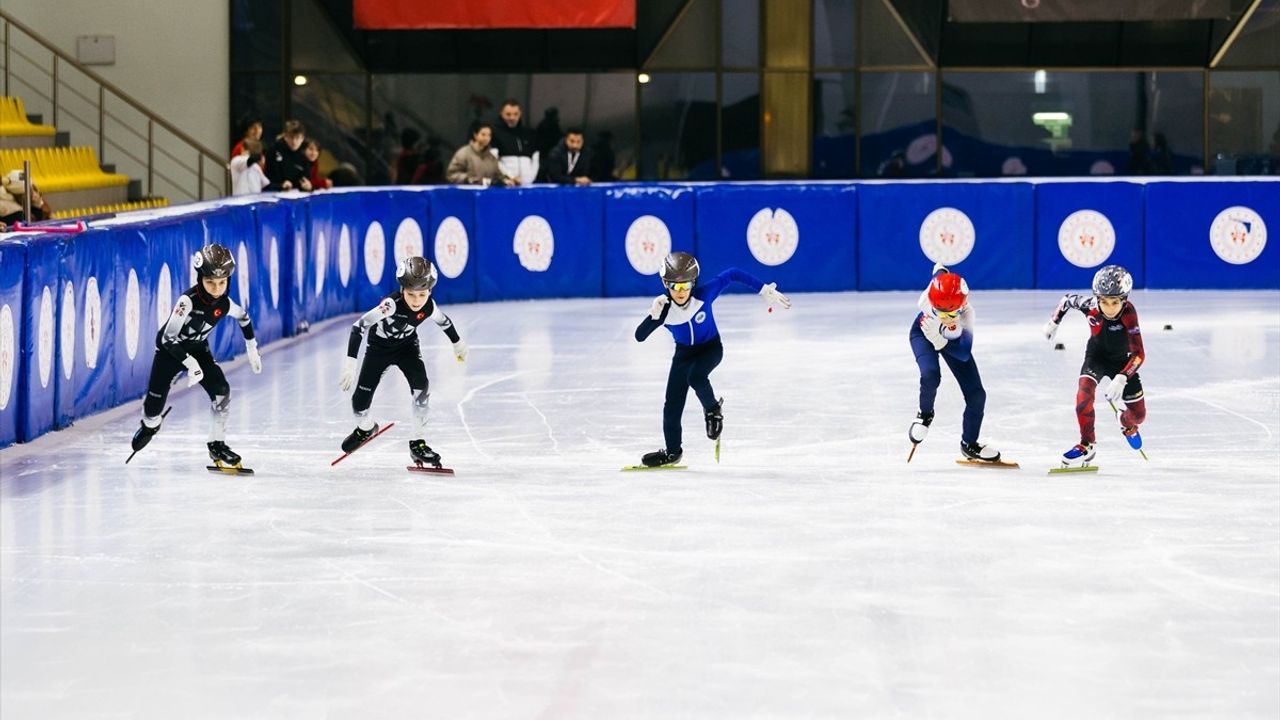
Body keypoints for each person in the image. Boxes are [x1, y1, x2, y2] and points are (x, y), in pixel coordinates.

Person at [633, 252, 791, 468]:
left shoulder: (704, 294)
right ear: (664, 283)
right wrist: (652, 317)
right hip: (683, 355)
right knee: (671, 407)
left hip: (710, 349)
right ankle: (672, 452)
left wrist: (763, 289)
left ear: (694, 282)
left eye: (686, 285)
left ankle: (713, 411)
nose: (681, 291)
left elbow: (733, 273)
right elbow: (639, 336)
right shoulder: (663, 310)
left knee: (696, 377)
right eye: (674, 286)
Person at [130, 244, 262, 469]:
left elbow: (244, 318)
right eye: (210, 282)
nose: (216, 289)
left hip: (198, 349)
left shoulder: (225, 303)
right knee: (152, 411)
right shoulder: (186, 301)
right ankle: (151, 424)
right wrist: (190, 364)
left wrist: (252, 347)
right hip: (169, 353)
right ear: (200, 277)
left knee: (221, 391)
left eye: (222, 283)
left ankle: (217, 444)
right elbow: (168, 339)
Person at [339, 257, 469, 469]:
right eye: (410, 294)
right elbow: (358, 327)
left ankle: (417, 442)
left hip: (407, 348)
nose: (417, 300)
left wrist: (458, 343)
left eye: (422, 294)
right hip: (378, 351)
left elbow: (444, 322)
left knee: (422, 388)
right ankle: (366, 428)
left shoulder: (428, 306)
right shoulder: (390, 306)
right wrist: (350, 364)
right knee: (358, 404)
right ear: (401, 290)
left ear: (430, 292)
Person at [1043, 265, 1146, 468]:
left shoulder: (1128, 313)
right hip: (1096, 357)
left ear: (1124, 300)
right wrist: (1053, 323)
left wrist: (1123, 376)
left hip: (1123, 362)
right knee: (1083, 396)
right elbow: (1065, 301)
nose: (1109, 308)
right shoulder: (1089, 304)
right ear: (1097, 298)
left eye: (1115, 302)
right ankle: (1087, 444)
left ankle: (1125, 422)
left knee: (1139, 416)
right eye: (1104, 302)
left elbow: (1139, 354)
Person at [907, 264, 1001, 463]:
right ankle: (924, 415)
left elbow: (964, 353)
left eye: (950, 315)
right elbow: (939, 271)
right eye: (938, 311)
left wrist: (940, 339)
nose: (944, 317)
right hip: (923, 333)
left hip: (952, 343)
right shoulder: (925, 299)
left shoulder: (967, 315)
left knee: (977, 395)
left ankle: (969, 444)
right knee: (930, 374)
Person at [446, 121, 515, 187]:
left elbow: (498, 175)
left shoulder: (492, 156)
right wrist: (467, 179)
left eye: (489, 135)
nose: (487, 138)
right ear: (475, 135)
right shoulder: (463, 153)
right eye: (483, 134)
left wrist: (505, 180)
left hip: (486, 194)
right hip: (468, 194)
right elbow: (451, 174)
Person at [266, 119, 311, 191]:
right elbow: (266, 180)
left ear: (302, 138)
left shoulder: (304, 156)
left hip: (297, 195)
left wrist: (308, 186)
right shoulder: (273, 151)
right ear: (285, 136)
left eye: (297, 138)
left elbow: (306, 179)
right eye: (291, 137)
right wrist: (280, 186)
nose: (294, 142)